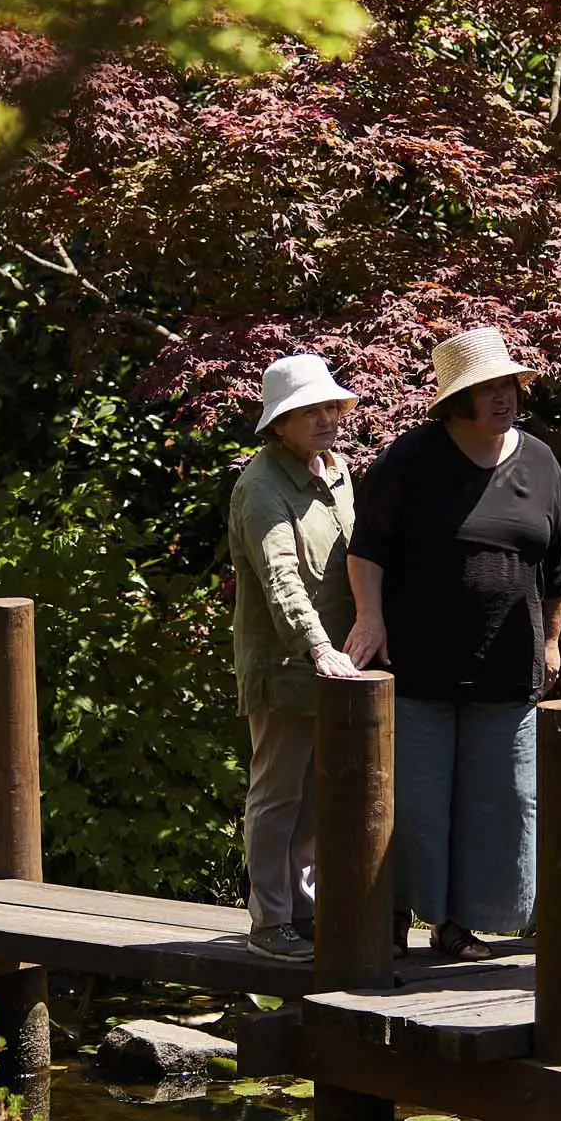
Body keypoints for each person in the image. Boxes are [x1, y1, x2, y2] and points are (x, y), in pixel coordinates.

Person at [344, 327, 561, 963]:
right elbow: (367, 550)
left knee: (501, 800)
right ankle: (397, 916)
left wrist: (552, 641)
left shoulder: (540, 462)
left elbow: (559, 567)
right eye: (487, 389)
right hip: (419, 665)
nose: (503, 397)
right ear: (456, 400)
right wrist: (370, 619)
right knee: (419, 801)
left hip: (508, 669)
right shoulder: (412, 459)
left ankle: (462, 926)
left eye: (508, 385)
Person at [227, 352, 365, 963]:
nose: (325, 417)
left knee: (315, 797)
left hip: (337, 666)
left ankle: (304, 913)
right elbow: (282, 580)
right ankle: (269, 922)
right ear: (277, 424)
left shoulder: (337, 473)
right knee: (278, 794)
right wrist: (318, 648)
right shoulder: (261, 487)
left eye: (330, 405)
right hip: (287, 667)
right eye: (308, 410)